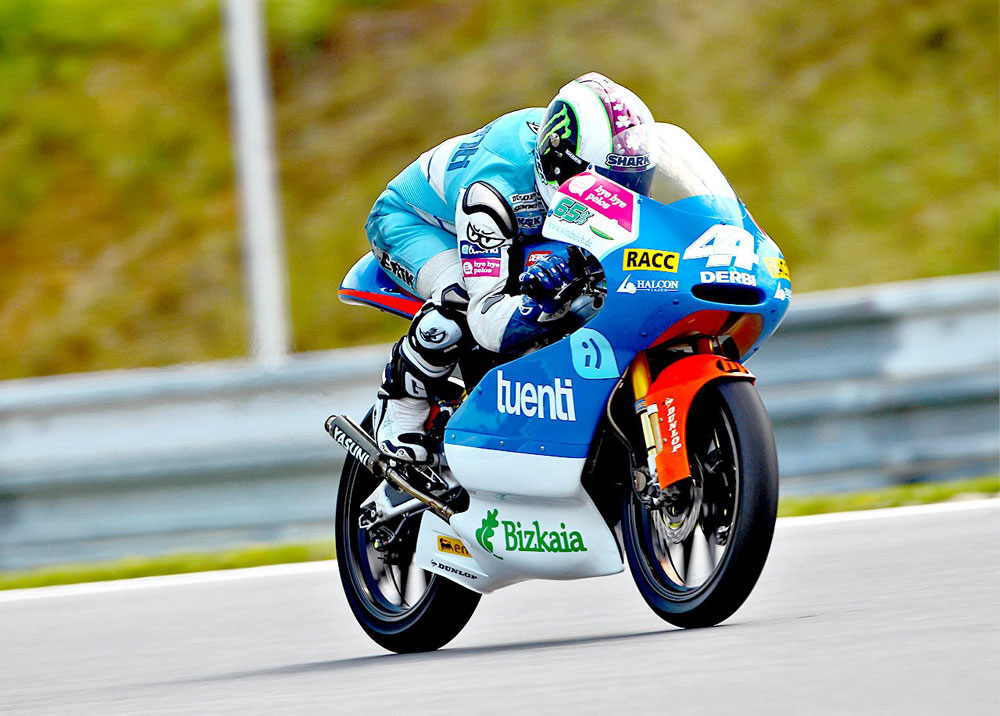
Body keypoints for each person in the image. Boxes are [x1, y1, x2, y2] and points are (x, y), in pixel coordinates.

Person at [365, 72, 659, 463]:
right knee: (459, 298)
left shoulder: (590, 148)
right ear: (560, 166)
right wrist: (542, 304)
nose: (621, 196)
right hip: (415, 223)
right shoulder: (493, 191)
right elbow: (488, 321)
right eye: (608, 184)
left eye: (632, 181)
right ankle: (401, 405)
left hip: (520, 228)